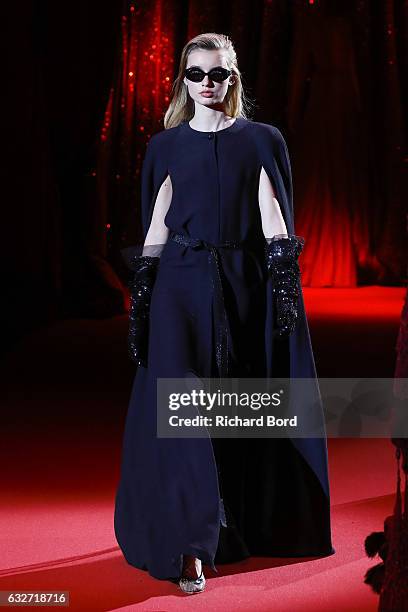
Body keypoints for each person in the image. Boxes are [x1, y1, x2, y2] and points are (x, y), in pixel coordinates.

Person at [114, 32, 334, 595]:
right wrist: (142, 298)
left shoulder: (262, 139)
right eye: (197, 74)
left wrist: (285, 294)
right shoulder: (164, 145)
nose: (208, 84)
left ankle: (230, 525)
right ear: (182, 81)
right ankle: (191, 547)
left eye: (220, 74)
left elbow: (273, 216)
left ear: (234, 79)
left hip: (242, 287)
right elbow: (157, 222)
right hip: (179, 291)